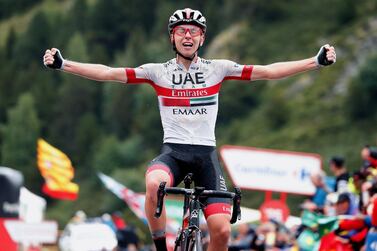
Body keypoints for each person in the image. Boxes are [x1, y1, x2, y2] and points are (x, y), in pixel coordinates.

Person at [43, 8, 336, 251]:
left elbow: (268, 71)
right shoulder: (158, 72)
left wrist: (316, 61)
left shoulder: (217, 68)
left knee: (221, 232)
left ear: (202, 38)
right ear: (172, 36)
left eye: (193, 31)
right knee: (154, 184)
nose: (187, 35)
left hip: (206, 157)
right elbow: (109, 73)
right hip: (174, 153)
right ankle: (161, 247)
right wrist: (63, 63)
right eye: (181, 30)